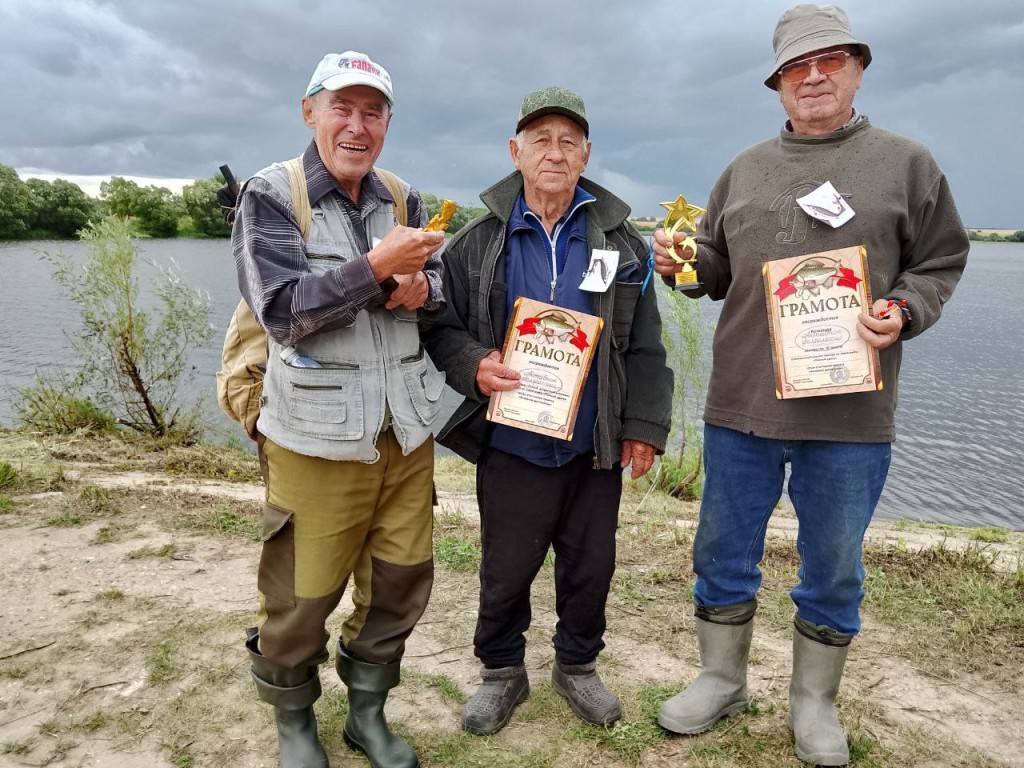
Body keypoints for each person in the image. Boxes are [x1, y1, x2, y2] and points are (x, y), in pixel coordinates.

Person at [652, 6, 968, 766]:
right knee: (722, 552)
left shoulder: (909, 164)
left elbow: (940, 262)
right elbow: (715, 269)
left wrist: (903, 307)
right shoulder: (746, 168)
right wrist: (683, 267)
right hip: (741, 409)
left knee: (834, 566)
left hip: (851, 416)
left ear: (858, 67)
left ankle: (813, 702)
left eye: (829, 61)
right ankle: (721, 678)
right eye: (797, 67)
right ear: (779, 85)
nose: (814, 76)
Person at [424, 87, 673, 735]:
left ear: (587, 153)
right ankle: (502, 673)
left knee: (591, 567)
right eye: (541, 140)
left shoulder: (624, 245)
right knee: (505, 571)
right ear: (516, 151)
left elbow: (645, 344)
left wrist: (644, 427)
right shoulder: (476, 244)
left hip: (596, 443)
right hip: (511, 444)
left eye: (569, 141)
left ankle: (578, 668)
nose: (555, 153)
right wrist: (474, 363)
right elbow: (439, 328)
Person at [232, 51, 446, 768]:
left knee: (401, 582)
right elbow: (284, 312)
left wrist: (421, 290)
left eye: (373, 111)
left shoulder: (401, 194)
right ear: (309, 111)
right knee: (300, 597)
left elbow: (434, 291)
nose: (358, 126)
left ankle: (366, 716)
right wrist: (378, 269)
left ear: (387, 121)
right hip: (313, 439)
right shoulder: (271, 195)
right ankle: (295, 723)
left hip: (405, 434)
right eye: (342, 108)